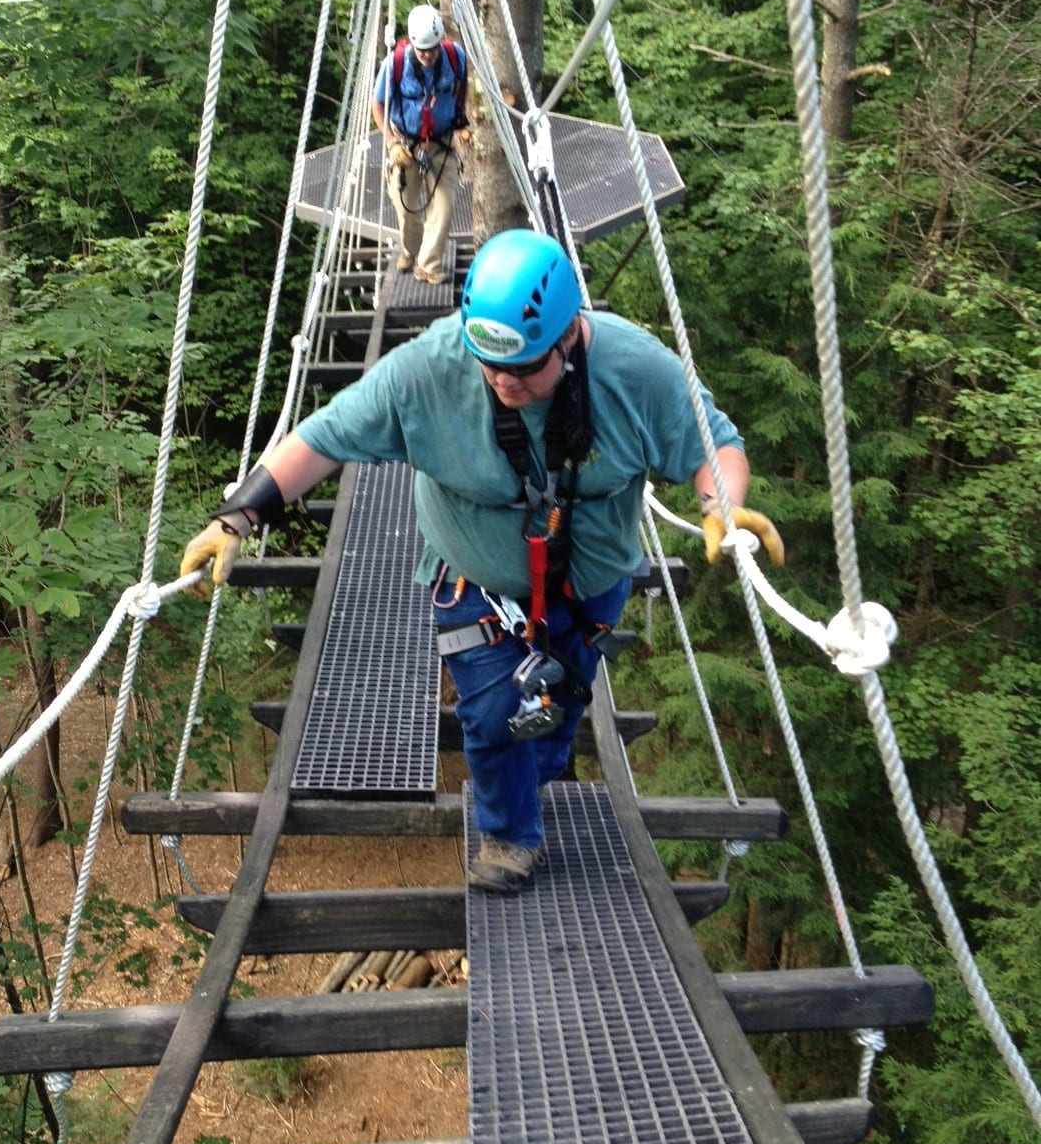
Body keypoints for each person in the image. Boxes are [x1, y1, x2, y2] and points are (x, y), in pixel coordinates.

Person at [180, 229, 783, 895]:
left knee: (559, 709)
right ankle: (508, 837)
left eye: (524, 368)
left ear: (570, 339)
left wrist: (720, 507)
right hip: (476, 580)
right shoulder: (433, 368)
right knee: (494, 714)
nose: (501, 381)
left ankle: (543, 756)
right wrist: (238, 516)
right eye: (489, 364)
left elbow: (712, 444)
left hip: (590, 585)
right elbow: (324, 439)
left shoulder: (635, 371)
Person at [371, 4, 469, 286]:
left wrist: (460, 115)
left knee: (444, 204)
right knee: (407, 208)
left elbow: (462, 83)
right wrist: (391, 144)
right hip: (407, 144)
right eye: (422, 50)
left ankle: (429, 265)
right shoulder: (395, 64)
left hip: (441, 141)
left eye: (433, 49)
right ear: (413, 44)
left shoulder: (454, 56)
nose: (428, 55)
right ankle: (411, 250)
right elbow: (377, 105)